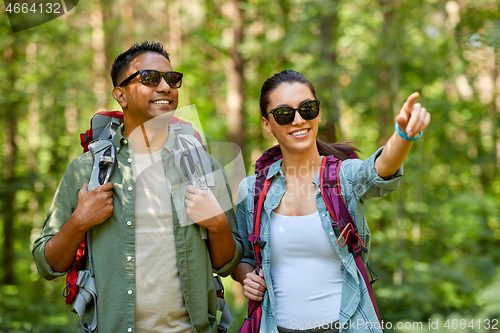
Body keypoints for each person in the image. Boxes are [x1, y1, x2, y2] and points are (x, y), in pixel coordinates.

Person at [33, 41, 243, 333]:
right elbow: (46, 264)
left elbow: (226, 264)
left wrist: (218, 225)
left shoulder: (204, 167)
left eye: (172, 79)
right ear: (120, 95)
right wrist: (79, 222)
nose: (165, 87)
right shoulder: (86, 170)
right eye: (149, 78)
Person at [233, 70, 431, 333]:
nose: (298, 119)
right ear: (267, 124)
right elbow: (242, 257)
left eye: (307, 108)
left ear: (319, 112)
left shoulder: (343, 177)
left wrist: (403, 136)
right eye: (284, 113)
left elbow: (379, 169)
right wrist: (247, 277)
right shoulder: (253, 190)